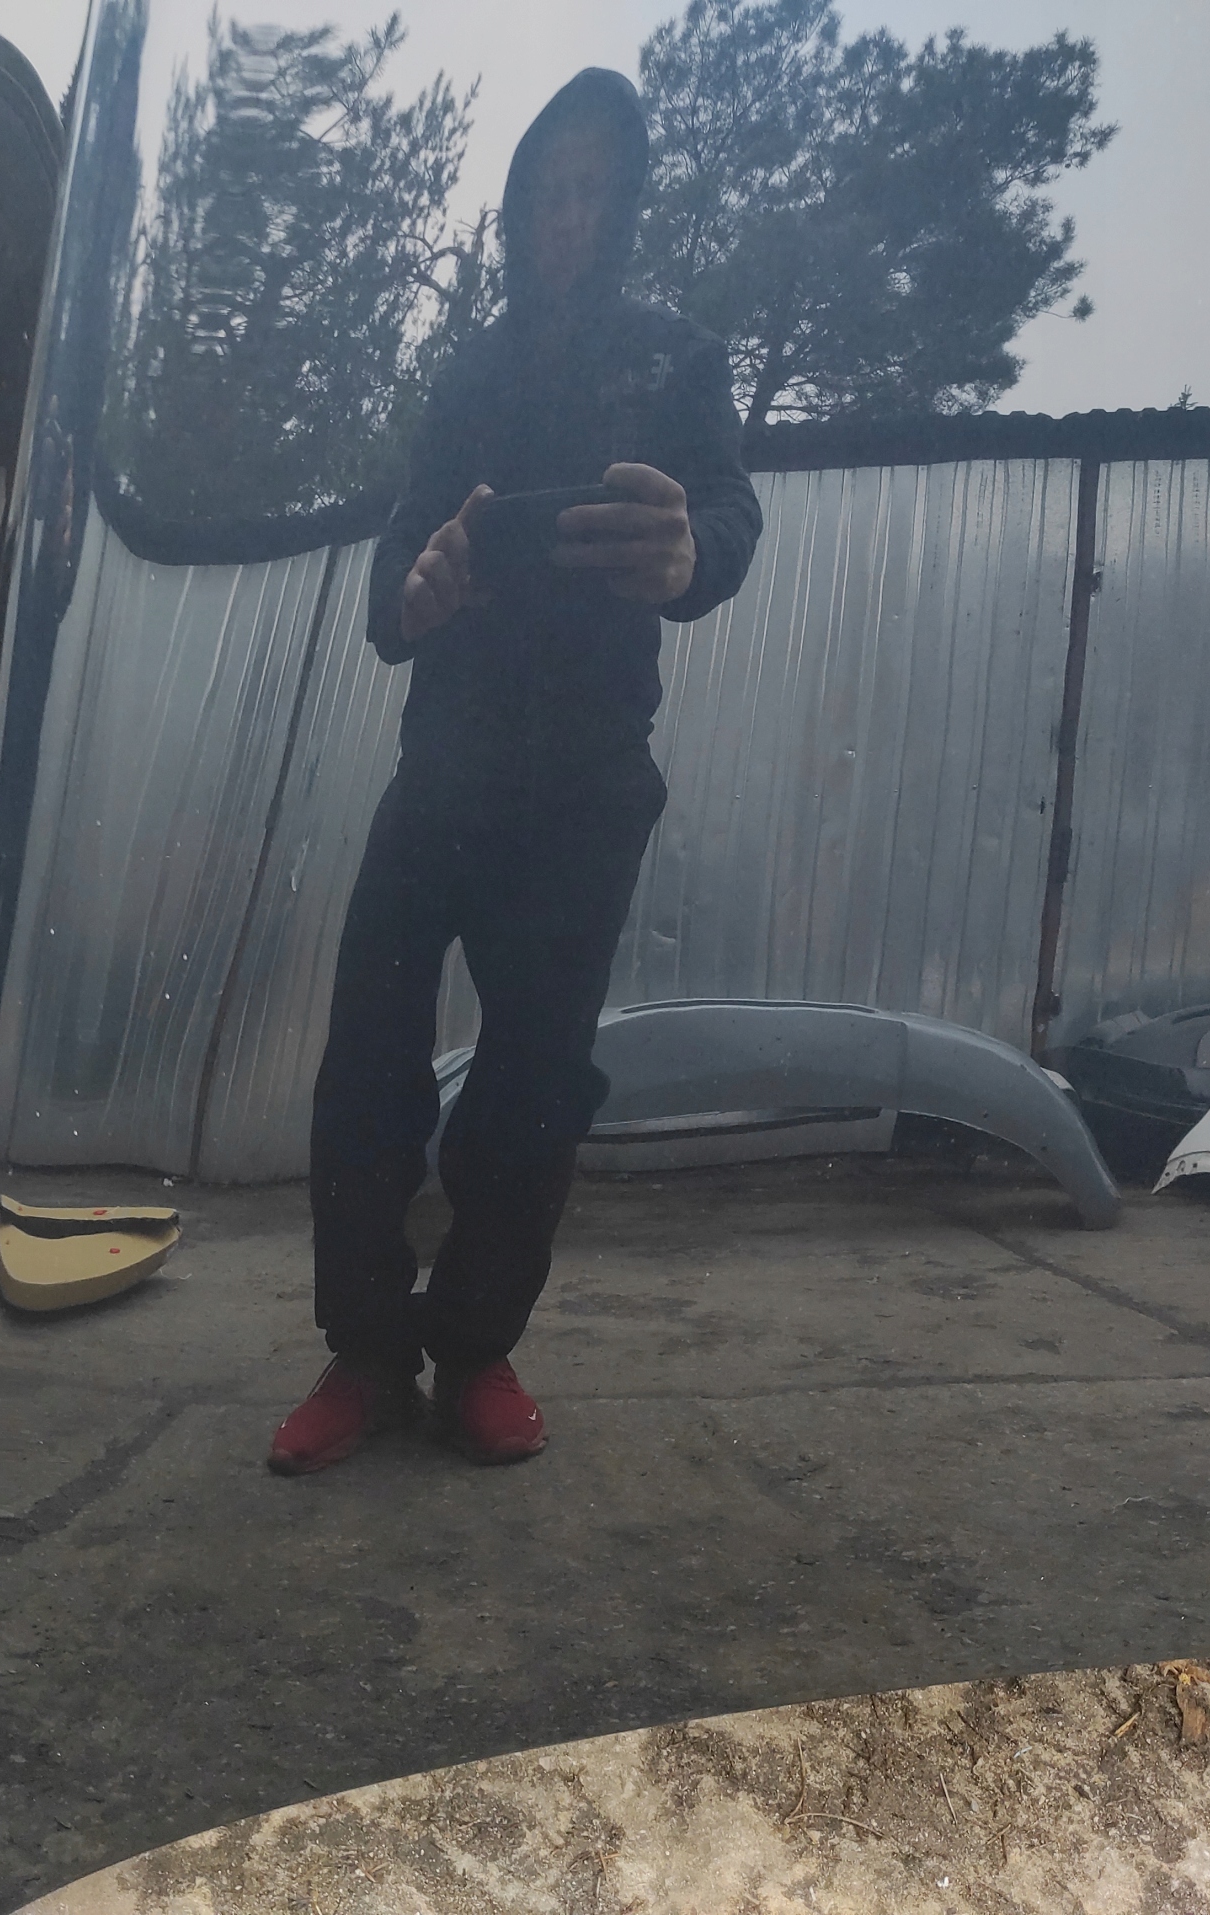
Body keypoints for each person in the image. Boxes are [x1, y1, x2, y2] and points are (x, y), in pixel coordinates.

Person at [268, 68, 763, 1475]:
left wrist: (692, 555)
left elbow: (729, 515)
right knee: (368, 1054)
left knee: (538, 1074)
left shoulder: (676, 361)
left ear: (626, 208)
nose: (568, 216)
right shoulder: (469, 374)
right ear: (515, 205)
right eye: (548, 190)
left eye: (595, 192)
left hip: (590, 778)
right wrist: (413, 591)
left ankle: (476, 1349)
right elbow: (398, 553)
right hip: (447, 764)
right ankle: (367, 1352)